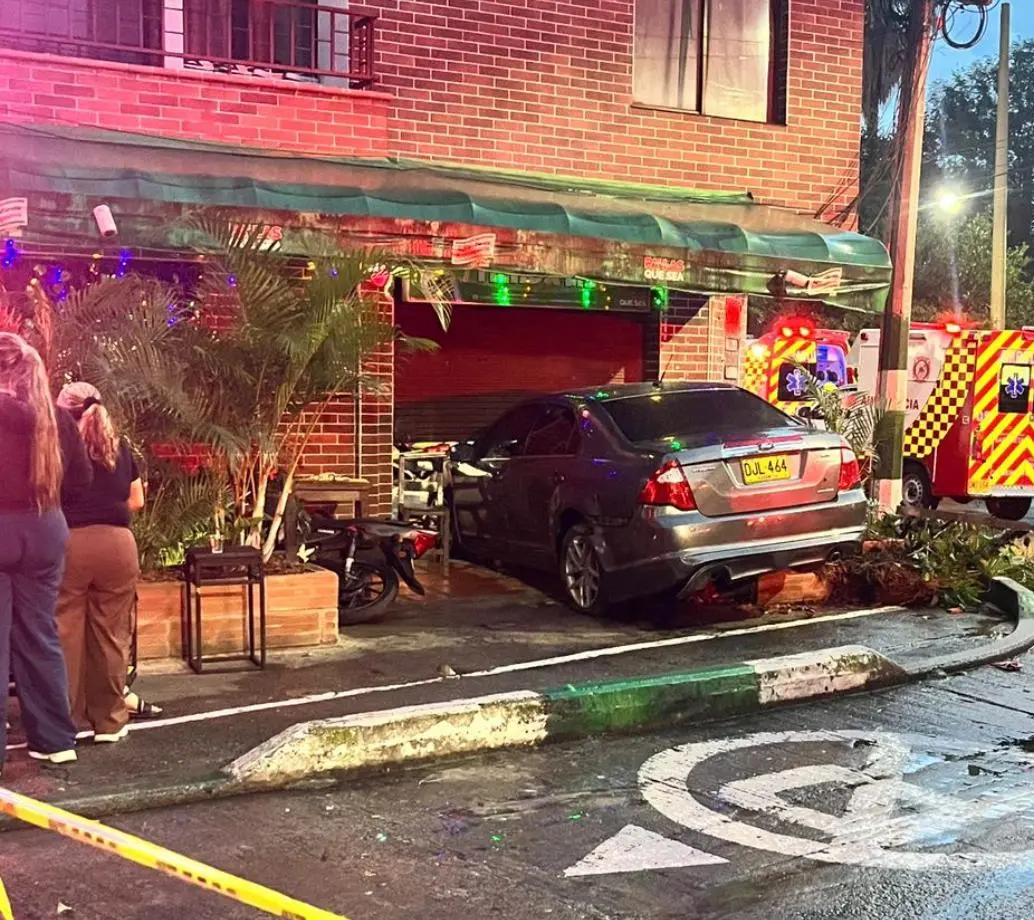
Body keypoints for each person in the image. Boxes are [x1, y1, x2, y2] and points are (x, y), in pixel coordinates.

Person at [0, 333, 89, 771]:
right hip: (46, 527)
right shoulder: (57, 419)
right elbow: (81, 482)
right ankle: (55, 740)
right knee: (40, 634)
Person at [55, 382, 144, 744]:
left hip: (70, 544)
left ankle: (65, 723)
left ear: (65, 413)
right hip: (118, 546)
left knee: (65, 635)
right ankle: (110, 721)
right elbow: (137, 500)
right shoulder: (120, 447)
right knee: (112, 635)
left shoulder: (58, 448)